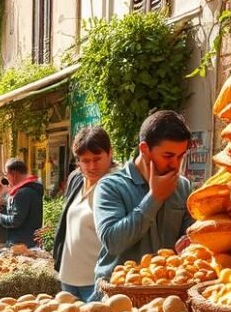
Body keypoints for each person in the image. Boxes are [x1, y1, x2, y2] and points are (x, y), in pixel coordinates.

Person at [92, 110, 195, 282]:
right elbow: (113, 242)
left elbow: (191, 236)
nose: (175, 164)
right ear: (145, 149)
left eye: (180, 156)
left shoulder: (182, 187)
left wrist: (190, 243)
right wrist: (154, 198)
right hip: (119, 294)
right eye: (168, 156)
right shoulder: (110, 187)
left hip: (167, 291)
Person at [53, 126, 116, 301]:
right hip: (68, 278)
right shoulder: (78, 180)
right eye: (85, 160)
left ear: (110, 153)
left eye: (97, 159)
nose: (92, 166)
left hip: (97, 283)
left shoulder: (117, 185)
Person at [0, 158, 45, 248]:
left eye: (6, 174)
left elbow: (16, 220)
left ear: (14, 174)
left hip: (20, 243)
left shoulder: (23, 193)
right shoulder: (32, 189)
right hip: (30, 241)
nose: (6, 178)